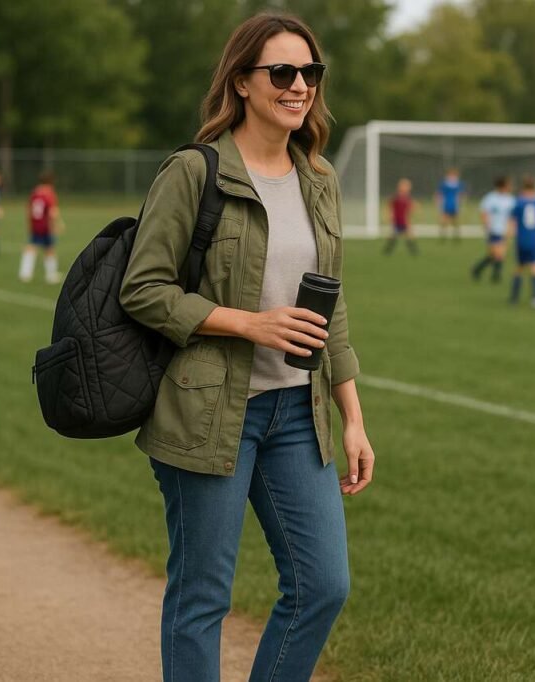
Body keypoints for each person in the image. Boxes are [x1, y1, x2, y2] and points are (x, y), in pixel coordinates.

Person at [119, 13, 375, 682]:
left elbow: (332, 303)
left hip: (298, 414)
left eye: (310, 73)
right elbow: (142, 290)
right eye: (283, 73)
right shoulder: (193, 172)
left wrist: (352, 417)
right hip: (206, 414)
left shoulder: (318, 177)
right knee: (203, 597)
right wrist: (247, 323)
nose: (300, 86)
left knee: (323, 585)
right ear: (241, 82)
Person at [507, 175, 535, 309]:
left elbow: (512, 222)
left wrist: (508, 238)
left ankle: (514, 298)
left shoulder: (518, 202)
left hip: (521, 240)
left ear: (523, 188)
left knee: (519, 267)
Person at [19, 171, 63, 284]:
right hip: (46, 225)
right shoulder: (49, 193)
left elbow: (28, 209)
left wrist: (29, 224)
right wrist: (58, 224)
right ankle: (51, 275)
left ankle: (25, 273)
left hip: (35, 224)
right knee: (49, 249)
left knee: (31, 247)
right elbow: (53, 212)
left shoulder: (35, 192)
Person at [472, 176, 515, 282]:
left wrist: (512, 228)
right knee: (498, 254)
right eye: (508, 184)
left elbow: (513, 216)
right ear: (502, 186)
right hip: (494, 229)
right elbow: (484, 213)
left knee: (497, 254)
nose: (510, 186)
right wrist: (487, 226)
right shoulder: (490, 198)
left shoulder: (511, 199)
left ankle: (477, 269)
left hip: (505, 230)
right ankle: (496, 276)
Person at [384, 177, 418, 256]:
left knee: (409, 235)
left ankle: (414, 251)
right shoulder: (396, 197)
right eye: (405, 186)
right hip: (397, 220)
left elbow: (411, 207)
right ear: (400, 187)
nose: (407, 188)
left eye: (408, 187)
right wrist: (389, 215)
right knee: (393, 235)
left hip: (405, 220)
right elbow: (389, 206)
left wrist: (413, 210)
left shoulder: (408, 198)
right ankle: (388, 250)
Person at [436, 167, 465, 242]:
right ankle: (443, 236)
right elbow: (439, 194)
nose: (452, 177)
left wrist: (460, 202)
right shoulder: (444, 184)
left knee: (455, 221)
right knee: (444, 220)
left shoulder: (458, 184)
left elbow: (461, 194)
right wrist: (439, 202)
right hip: (446, 203)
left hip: (455, 204)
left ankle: (456, 236)